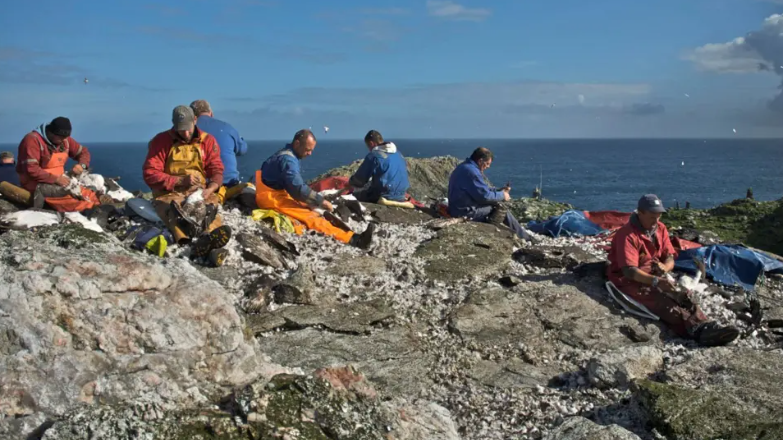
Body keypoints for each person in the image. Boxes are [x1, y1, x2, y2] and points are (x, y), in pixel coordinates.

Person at [607, 194, 739, 347]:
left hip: (654, 272)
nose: (656, 221)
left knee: (683, 296)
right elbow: (629, 271)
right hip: (630, 280)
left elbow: (669, 256)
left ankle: (706, 324)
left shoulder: (660, 228)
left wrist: (665, 267)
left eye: (658, 216)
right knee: (662, 301)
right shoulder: (627, 235)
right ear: (640, 213)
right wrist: (656, 281)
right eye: (652, 217)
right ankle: (697, 332)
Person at [143, 105, 232, 266]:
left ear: (195, 120)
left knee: (210, 211)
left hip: (199, 191)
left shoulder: (208, 141)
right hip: (168, 193)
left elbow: (217, 170)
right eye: (180, 129)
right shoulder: (161, 141)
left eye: (188, 129)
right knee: (174, 213)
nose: (185, 133)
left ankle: (210, 240)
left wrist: (210, 188)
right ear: (173, 124)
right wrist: (179, 181)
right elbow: (150, 173)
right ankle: (188, 243)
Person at [255, 129, 375, 249]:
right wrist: (321, 201)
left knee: (309, 205)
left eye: (311, 150)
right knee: (311, 217)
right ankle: (353, 240)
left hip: (274, 190)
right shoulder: (288, 161)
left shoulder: (285, 154)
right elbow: (298, 189)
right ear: (297, 143)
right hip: (271, 197)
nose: (310, 153)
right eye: (308, 150)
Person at [447, 147, 532, 241]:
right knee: (501, 209)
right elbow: (484, 197)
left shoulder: (465, 167)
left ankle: (519, 233)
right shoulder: (472, 172)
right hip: (464, 212)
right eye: (487, 164)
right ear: (480, 161)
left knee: (495, 203)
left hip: (457, 207)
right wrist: (503, 195)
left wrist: (499, 190)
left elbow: (481, 190)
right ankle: (525, 238)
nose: (488, 166)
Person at [16, 117, 98, 211]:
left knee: (89, 195)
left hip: (60, 181)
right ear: (51, 132)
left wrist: (82, 165)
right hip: (36, 183)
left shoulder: (65, 139)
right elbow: (31, 169)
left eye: (65, 137)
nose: (63, 140)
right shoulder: (32, 140)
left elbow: (83, 152)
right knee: (74, 201)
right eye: (60, 137)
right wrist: (55, 179)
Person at [190, 99, 248, 187]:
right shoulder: (227, 127)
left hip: (197, 184)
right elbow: (242, 150)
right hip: (228, 182)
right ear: (211, 113)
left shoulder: (186, 131)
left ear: (191, 116)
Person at [347, 130, 410, 204]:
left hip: (385, 195)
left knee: (352, 196)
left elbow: (360, 180)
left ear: (371, 143)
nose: (369, 150)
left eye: (368, 146)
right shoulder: (398, 153)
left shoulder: (374, 156)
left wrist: (351, 182)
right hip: (401, 194)